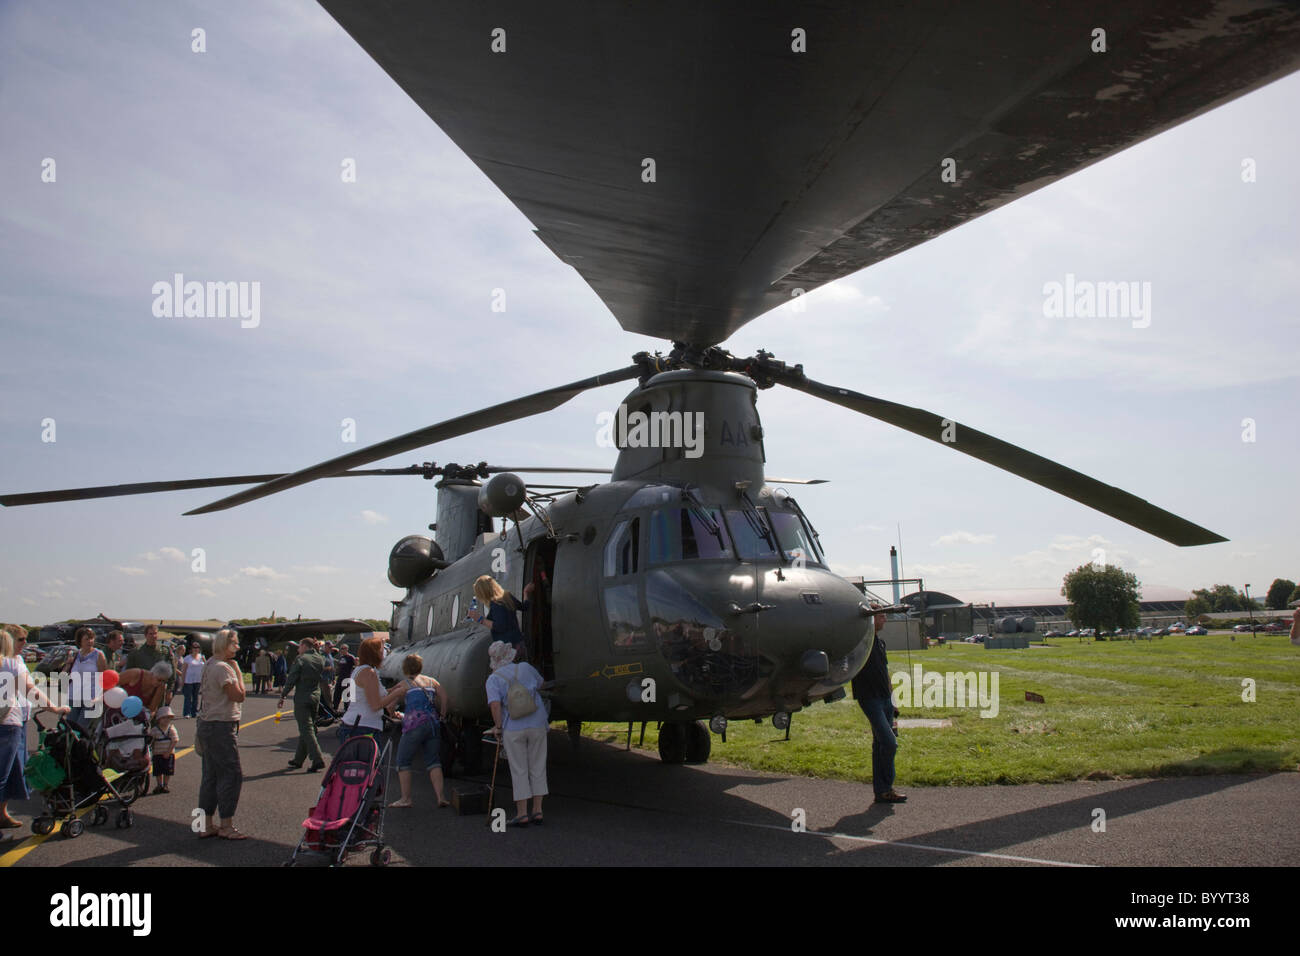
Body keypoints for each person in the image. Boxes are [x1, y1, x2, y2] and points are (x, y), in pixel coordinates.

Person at [1, 625, 70, 828]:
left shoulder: (17, 661)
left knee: (14, 770)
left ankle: (2, 814)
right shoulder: (12, 664)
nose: (25, 643)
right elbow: (31, 691)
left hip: (18, 720)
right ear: (9, 641)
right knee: (3, 775)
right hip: (8, 724)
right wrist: (54, 709)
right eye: (21, 640)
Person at [485, 640, 548, 826]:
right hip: (537, 723)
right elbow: (542, 685)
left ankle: (522, 813)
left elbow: (495, 705)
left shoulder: (494, 679)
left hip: (513, 727)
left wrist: (498, 727)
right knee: (538, 766)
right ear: (510, 655)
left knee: (519, 769)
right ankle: (538, 811)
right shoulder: (526, 668)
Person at [851, 605, 905, 804]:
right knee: (889, 743)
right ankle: (885, 786)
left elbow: (885, 672)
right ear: (871, 618)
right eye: (882, 616)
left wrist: (893, 699)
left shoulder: (880, 643)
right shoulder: (859, 643)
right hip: (869, 698)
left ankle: (882, 791)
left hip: (884, 699)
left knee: (879, 745)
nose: (885, 620)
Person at [196, 629, 247, 840]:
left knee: (210, 775)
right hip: (220, 726)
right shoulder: (224, 668)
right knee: (232, 774)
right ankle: (226, 825)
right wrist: (239, 674)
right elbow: (239, 695)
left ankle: (204, 824)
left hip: (206, 723)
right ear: (224, 644)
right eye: (234, 643)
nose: (237, 647)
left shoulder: (209, 663)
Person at [382, 653, 449, 808]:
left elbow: (390, 705)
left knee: (403, 761)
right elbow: (444, 698)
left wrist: (394, 715)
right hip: (433, 723)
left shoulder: (405, 684)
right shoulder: (432, 681)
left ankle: (406, 798)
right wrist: (443, 715)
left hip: (414, 725)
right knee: (433, 761)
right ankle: (441, 797)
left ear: (405, 668)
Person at [279, 638, 325, 772]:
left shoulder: (301, 659)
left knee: (306, 729)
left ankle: (317, 758)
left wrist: (283, 695)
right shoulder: (320, 658)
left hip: (303, 697)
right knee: (308, 728)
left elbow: (292, 678)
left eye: (300, 646)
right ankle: (298, 759)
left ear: (305, 646)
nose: (298, 648)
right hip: (315, 696)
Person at [470, 575, 536, 660]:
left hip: (508, 650)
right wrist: (526, 593)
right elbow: (525, 607)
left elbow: (500, 626)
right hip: (519, 644)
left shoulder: (496, 604)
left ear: (483, 593)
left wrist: (480, 619)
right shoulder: (507, 597)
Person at [337, 637, 389, 741]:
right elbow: (376, 705)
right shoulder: (369, 672)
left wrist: (397, 688)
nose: (384, 653)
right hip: (363, 727)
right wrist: (399, 692)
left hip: (357, 724)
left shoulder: (360, 669)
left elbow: (372, 692)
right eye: (382, 650)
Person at [62, 627, 105, 729]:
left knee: (81, 729)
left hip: (90, 698)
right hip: (74, 697)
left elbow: (104, 677)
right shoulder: (75, 655)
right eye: (87, 639)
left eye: (92, 638)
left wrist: (99, 697)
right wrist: (68, 664)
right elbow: (63, 677)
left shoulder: (98, 655)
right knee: (69, 728)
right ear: (80, 641)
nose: (90, 641)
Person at [149, 706, 180, 793]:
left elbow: (175, 740)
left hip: (168, 753)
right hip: (157, 753)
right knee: (158, 771)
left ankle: (165, 784)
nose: (166, 720)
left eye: (168, 718)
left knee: (167, 770)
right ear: (159, 719)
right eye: (164, 718)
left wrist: (168, 752)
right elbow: (151, 739)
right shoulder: (155, 730)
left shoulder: (171, 729)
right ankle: (159, 784)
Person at [180, 641, 205, 717]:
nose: (196, 649)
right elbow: (183, 671)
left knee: (196, 697)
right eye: (194, 647)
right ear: (191, 649)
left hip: (198, 680)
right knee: (188, 697)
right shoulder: (187, 658)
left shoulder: (202, 657)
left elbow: (206, 667)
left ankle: (194, 712)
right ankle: (187, 713)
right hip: (189, 680)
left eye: (197, 647)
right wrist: (182, 681)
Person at [332, 645, 357, 712]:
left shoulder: (350, 657)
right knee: (337, 694)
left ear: (347, 649)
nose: (342, 650)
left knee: (346, 696)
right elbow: (339, 667)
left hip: (347, 678)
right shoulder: (341, 657)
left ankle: (347, 710)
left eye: (343, 649)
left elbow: (356, 665)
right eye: (341, 649)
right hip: (340, 678)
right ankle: (335, 709)